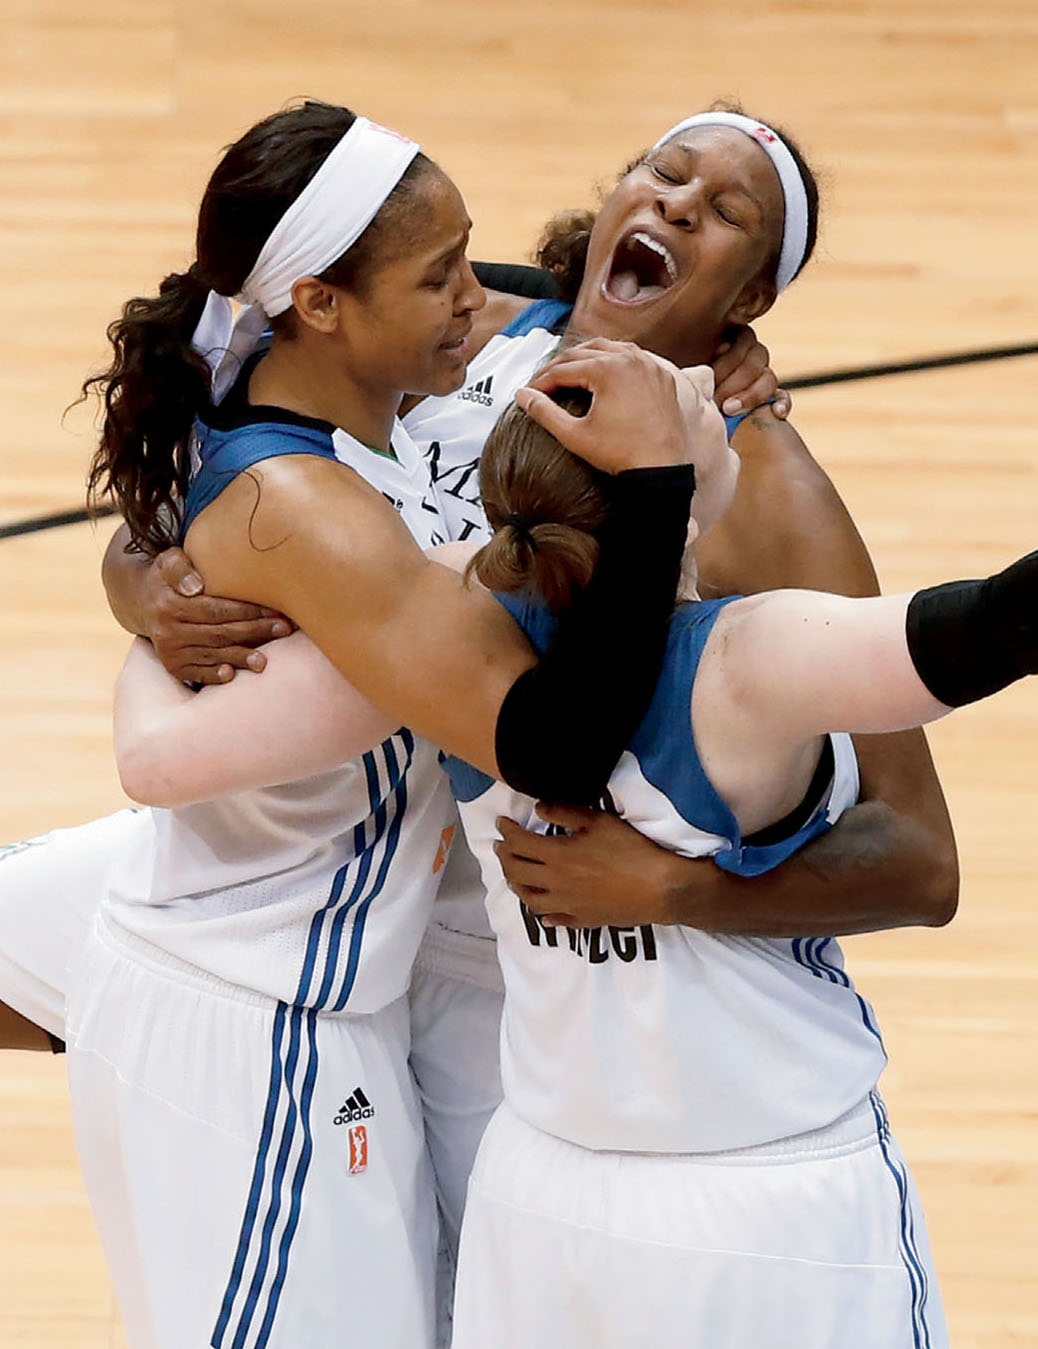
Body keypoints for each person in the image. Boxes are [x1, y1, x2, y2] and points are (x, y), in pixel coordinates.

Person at [53, 98, 702, 1349]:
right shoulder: (312, 505)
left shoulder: (289, 386)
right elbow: (551, 742)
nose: (479, 298)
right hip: (255, 1015)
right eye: (437, 275)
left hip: (315, 991)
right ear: (321, 303)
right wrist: (660, 489)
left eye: (470, 255)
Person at [439, 374, 1038, 1349]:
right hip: (765, 1204)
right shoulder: (748, 660)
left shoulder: (448, 635)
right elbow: (989, 627)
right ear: (672, 487)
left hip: (539, 1200)